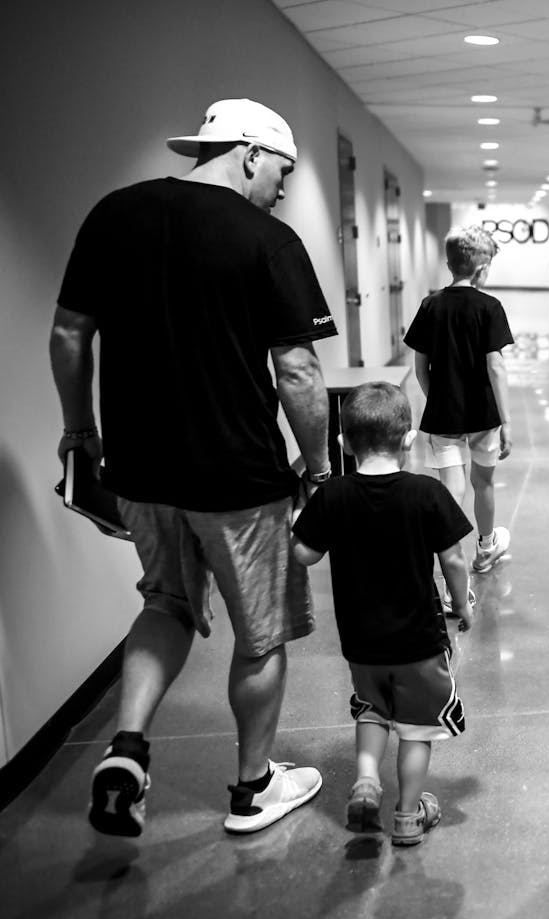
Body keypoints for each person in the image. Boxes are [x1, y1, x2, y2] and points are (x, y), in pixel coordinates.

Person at [50, 98, 336, 837]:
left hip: (140, 470)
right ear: (248, 154)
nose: (283, 185)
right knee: (261, 634)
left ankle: (128, 747)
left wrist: (81, 430)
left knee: (166, 602)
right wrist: (318, 465)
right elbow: (298, 370)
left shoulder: (114, 215)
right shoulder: (268, 240)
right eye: (283, 169)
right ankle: (252, 789)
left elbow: (70, 331)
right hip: (239, 479)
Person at [291, 382, 473, 846]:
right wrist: (463, 603)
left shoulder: (332, 497)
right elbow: (453, 560)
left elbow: (303, 554)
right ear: (409, 440)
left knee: (372, 710)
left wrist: (300, 512)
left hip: (361, 643)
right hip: (419, 642)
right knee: (416, 729)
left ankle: (367, 778)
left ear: (344, 444)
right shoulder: (427, 493)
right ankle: (409, 816)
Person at [405, 225, 515, 612]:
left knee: (451, 494)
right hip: (484, 416)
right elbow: (496, 368)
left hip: (444, 417)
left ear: (449, 263)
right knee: (483, 482)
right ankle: (486, 548)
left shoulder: (430, 305)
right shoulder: (489, 307)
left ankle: (454, 589)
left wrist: (438, 399)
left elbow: (420, 366)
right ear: (483, 268)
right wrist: (508, 422)